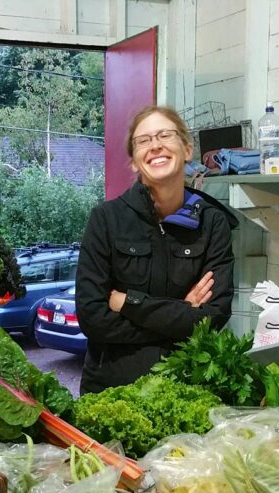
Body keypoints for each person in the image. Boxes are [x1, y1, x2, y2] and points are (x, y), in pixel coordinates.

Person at [75, 105, 239, 394]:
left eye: (165, 135)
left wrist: (129, 304)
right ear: (135, 162)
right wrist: (182, 312)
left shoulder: (212, 223)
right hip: (112, 390)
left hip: (186, 387)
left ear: (187, 150)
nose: (155, 146)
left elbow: (215, 317)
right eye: (144, 140)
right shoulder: (106, 219)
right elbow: (92, 318)